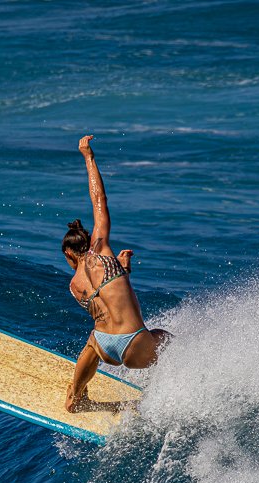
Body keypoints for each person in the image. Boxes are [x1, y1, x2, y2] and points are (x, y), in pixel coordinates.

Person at [63, 135, 170, 413]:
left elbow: (105, 302)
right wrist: (88, 156)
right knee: (165, 338)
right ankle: (176, 390)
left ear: (68, 254)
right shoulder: (101, 249)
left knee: (90, 344)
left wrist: (123, 272)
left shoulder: (74, 286)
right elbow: (99, 198)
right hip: (136, 346)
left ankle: (76, 396)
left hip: (106, 349)